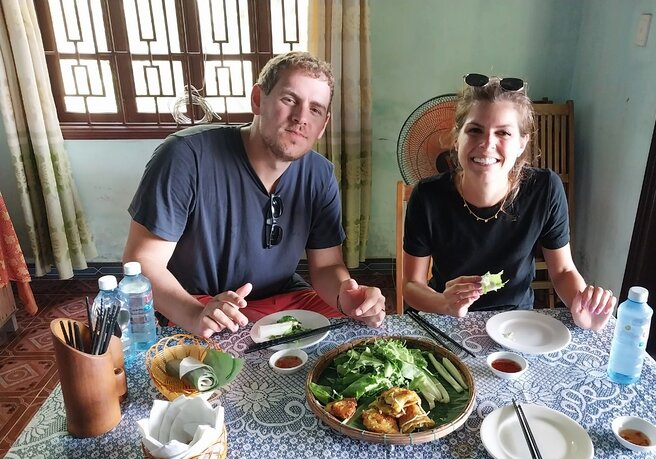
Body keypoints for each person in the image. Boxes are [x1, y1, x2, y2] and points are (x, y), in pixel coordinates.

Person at [122, 51, 385, 338]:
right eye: (289, 100)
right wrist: (195, 314)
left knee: (354, 344)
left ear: (323, 125)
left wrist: (344, 295)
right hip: (199, 303)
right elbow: (143, 262)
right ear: (258, 99)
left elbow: (326, 265)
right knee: (214, 376)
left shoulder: (319, 175)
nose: (301, 118)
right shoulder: (186, 157)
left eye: (315, 109)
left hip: (282, 298)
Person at [402, 74, 615, 331]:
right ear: (457, 137)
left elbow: (562, 272)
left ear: (521, 142)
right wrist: (443, 303)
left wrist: (581, 306)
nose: (487, 144)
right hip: (447, 320)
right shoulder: (427, 196)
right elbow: (412, 286)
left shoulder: (545, 189)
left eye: (503, 132)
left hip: (517, 324)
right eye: (474, 130)